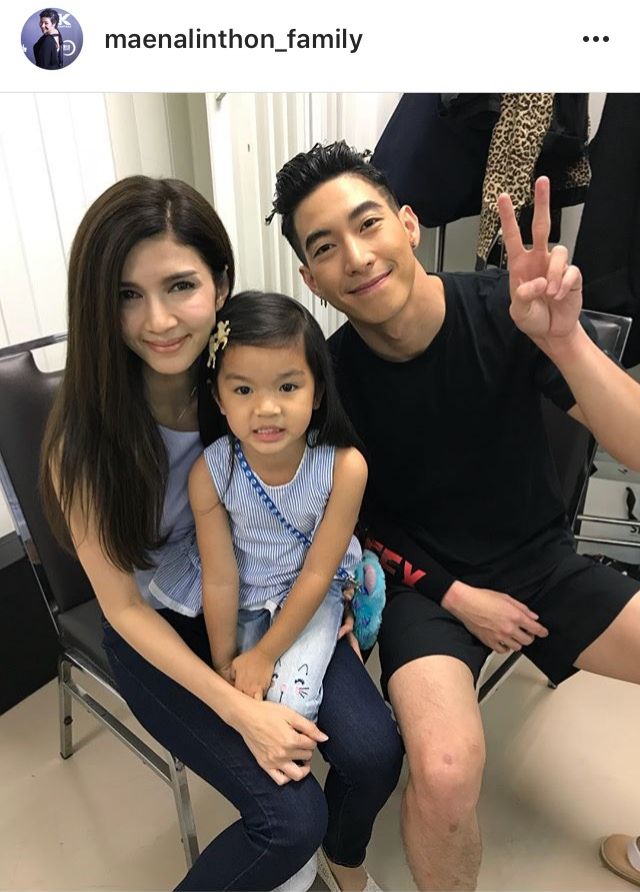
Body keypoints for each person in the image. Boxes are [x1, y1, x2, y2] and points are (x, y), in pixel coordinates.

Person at [268, 141, 640, 891]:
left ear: (408, 224)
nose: (356, 257)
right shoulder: (327, 384)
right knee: (442, 770)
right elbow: (354, 529)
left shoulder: (505, 307)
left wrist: (565, 340)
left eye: (368, 223)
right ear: (311, 279)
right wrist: (455, 594)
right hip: (425, 588)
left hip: (541, 558)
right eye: (326, 247)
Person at [40, 175, 403, 892]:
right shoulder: (85, 441)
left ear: (221, 283)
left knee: (373, 753)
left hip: (267, 595)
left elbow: (316, 492)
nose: (158, 320)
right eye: (126, 294)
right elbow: (123, 608)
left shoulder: (250, 383)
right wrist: (238, 707)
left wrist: (327, 589)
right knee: (289, 819)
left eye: (180, 286)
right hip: (158, 625)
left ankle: (342, 864)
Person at [149, 290, 368, 726]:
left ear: (318, 391)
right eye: (243, 389)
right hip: (248, 595)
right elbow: (220, 577)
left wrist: (265, 655)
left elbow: (317, 573)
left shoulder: (344, 467)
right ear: (219, 399)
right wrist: (224, 665)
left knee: (291, 708)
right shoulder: (211, 473)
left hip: (313, 589)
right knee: (245, 702)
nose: (267, 408)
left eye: (288, 387)